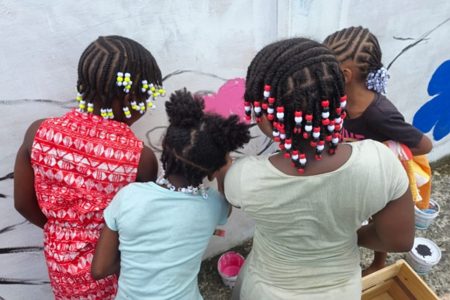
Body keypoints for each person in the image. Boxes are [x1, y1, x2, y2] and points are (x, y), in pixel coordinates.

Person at [225, 38, 415, 299]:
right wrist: (349, 237)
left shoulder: (244, 177)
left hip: (267, 290)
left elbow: (228, 196)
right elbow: (399, 240)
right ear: (340, 102)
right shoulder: (380, 162)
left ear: (267, 119)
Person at [14, 35, 162, 299]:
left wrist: (62, 232)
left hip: (59, 261)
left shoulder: (38, 133)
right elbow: (137, 223)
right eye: (146, 98)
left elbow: (23, 203)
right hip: (110, 266)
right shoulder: (141, 159)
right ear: (129, 98)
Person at [91, 88, 250, 300]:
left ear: (164, 146)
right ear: (212, 171)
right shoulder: (213, 206)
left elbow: (99, 270)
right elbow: (227, 202)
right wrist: (222, 169)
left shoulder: (128, 197)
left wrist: (140, 258)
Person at [323, 26, 433, 275]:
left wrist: (379, 150)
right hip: (356, 174)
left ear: (345, 74)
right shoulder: (341, 101)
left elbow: (424, 145)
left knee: (377, 220)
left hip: (380, 181)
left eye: (325, 69)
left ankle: (377, 263)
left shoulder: (380, 113)